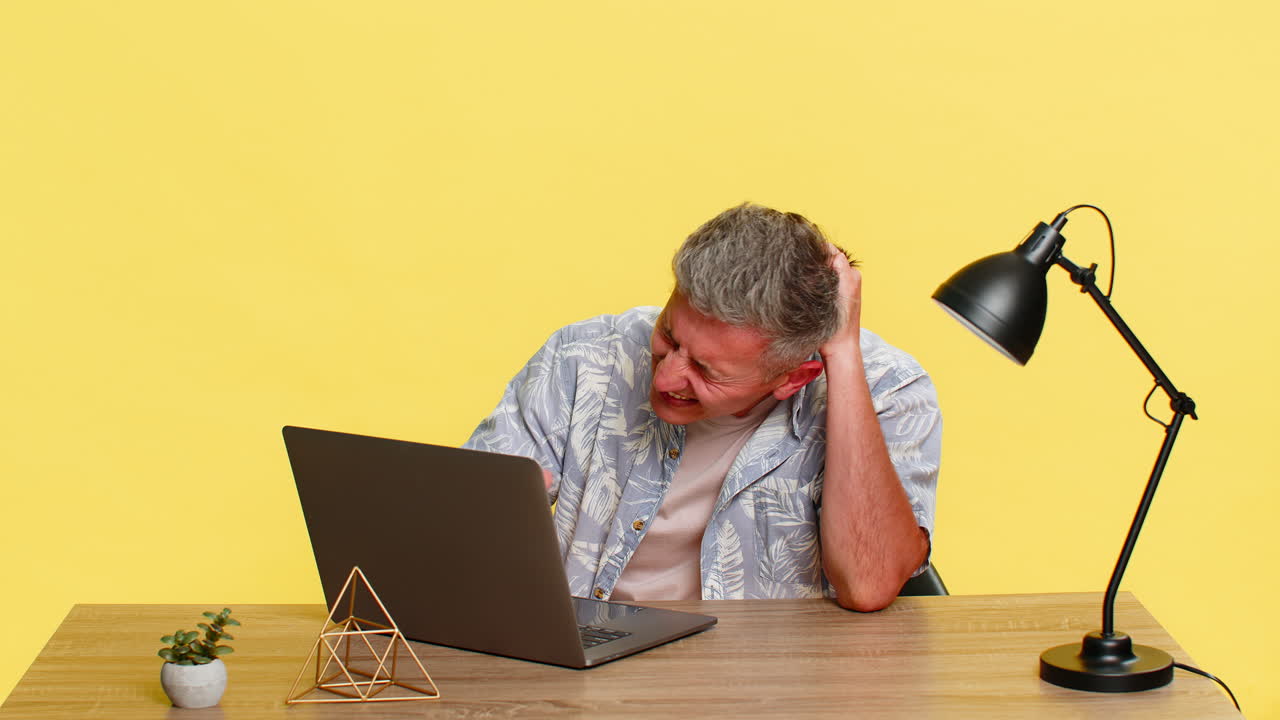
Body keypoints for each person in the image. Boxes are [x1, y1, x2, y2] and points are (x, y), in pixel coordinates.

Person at [464, 203, 941, 611]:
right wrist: (491, 514)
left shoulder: (889, 391)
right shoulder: (582, 357)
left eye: (707, 371)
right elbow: (457, 529)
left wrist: (842, 356)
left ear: (794, 377)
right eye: (669, 336)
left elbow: (869, 584)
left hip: (766, 693)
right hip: (583, 672)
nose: (667, 377)